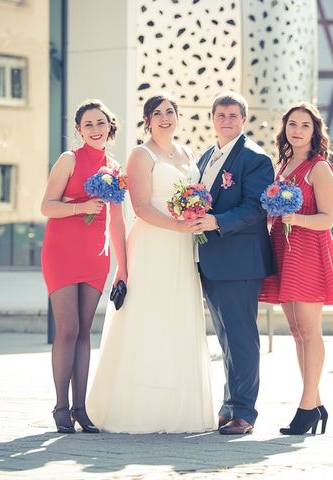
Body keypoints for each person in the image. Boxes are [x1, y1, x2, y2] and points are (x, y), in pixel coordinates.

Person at [86, 92, 217, 433]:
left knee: (177, 317)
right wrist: (179, 225)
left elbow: (195, 196)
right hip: (151, 243)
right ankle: (136, 407)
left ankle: (174, 407)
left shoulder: (187, 153)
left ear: (177, 116)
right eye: (156, 113)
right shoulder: (140, 155)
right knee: (147, 317)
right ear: (147, 120)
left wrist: (193, 216)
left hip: (181, 247)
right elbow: (141, 207)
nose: (164, 118)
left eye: (169, 112)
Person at [41, 99, 127, 434]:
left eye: (100, 123)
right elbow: (46, 206)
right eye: (88, 124)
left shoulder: (115, 167)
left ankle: (81, 408)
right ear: (79, 130)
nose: (95, 129)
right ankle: (61, 406)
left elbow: (116, 221)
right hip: (61, 252)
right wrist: (81, 208)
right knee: (67, 329)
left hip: (96, 256)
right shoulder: (69, 160)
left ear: (110, 127)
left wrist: (122, 265)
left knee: (84, 332)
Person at [259, 102, 333, 435]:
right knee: (296, 332)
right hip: (284, 248)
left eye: (304, 125)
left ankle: (306, 406)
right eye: (292, 124)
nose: (297, 130)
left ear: (315, 131)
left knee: (310, 331)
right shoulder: (283, 165)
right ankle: (316, 401)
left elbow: (328, 219)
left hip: (308, 251)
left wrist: (296, 218)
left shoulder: (318, 168)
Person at [193, 91, 275, 435]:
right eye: (220, 115)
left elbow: (258, 208)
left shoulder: (255, 158)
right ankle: (229, 404)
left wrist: (216, 222)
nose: (226, 121)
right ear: (212, 119)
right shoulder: (207, 156)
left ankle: (245, 412)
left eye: (233, 115)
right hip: (211, 260)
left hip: (239, 261)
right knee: (225, 337)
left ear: (244, 120)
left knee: (241, 337)